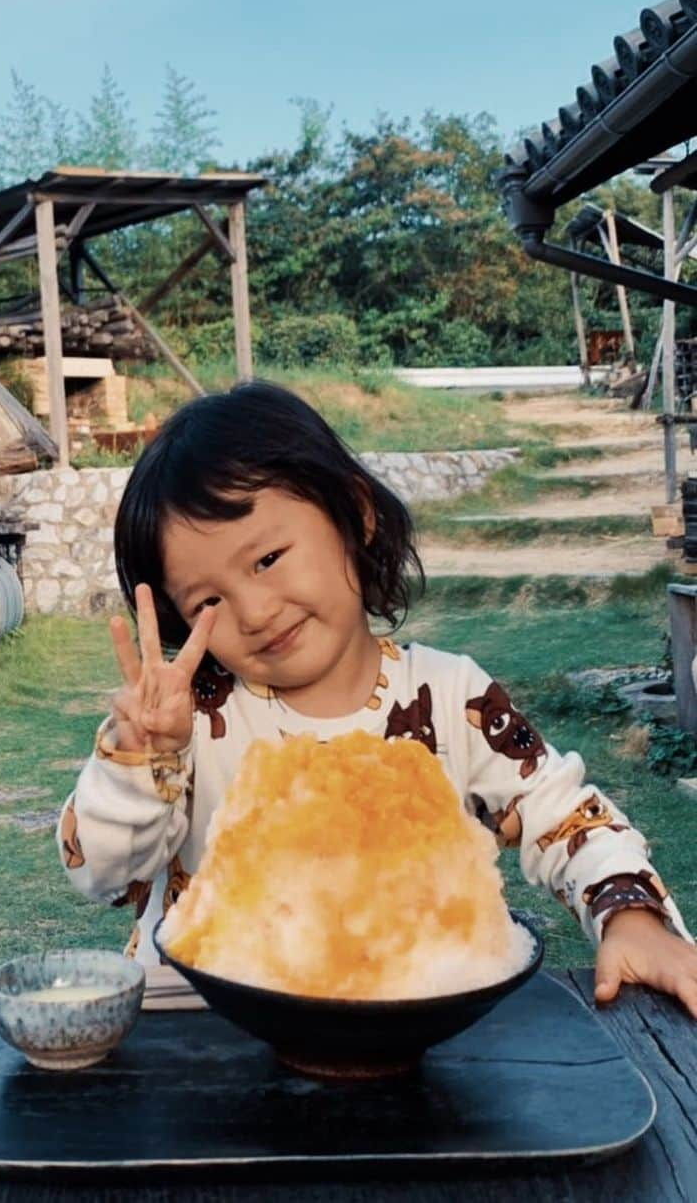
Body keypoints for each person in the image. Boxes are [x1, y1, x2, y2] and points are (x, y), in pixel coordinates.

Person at [58, 381, 697, 1015]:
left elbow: (564, 816)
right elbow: (102, 873)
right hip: (198, 1038)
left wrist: (632, 920)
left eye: (268, 558)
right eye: (208, 602)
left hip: (402, 1027)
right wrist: (139, 762)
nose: (253, 611)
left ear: (355, 514)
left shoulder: (454, 699)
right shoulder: (188, 724)